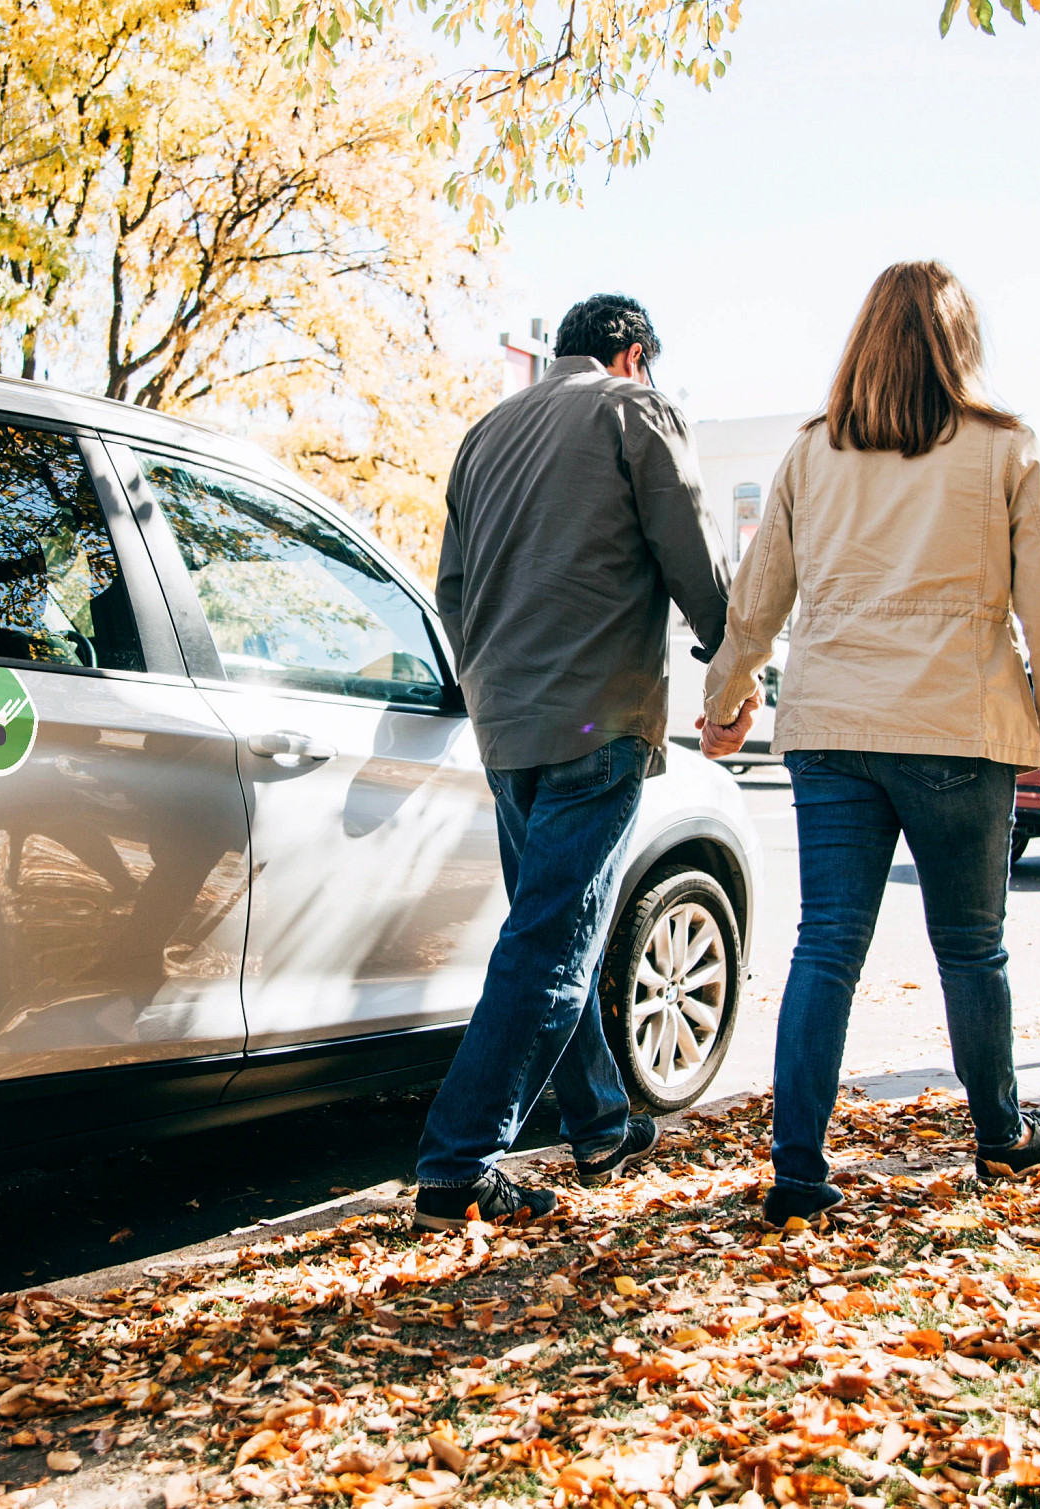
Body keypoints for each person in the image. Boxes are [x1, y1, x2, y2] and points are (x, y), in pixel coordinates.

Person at [701, 261, 1040, 1226]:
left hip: (832, 728)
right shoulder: (1009, 449)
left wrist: (725, 700)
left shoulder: (812, 453)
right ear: (962, 343)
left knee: (826, 945)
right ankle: (1000, 1136)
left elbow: (757, 598)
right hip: (960, 728)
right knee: (972, 948)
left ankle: (797, 1174)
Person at [414, 293, 738, 1231]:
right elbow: (693, 553)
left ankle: (599, 1121)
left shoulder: (483, 437)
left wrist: (491, 687)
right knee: (551, 944)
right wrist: (732, 666)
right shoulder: (633, 409)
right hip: (597, 722)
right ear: (631, 352)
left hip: (506, 728)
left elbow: (452, 592)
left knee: (555, 926)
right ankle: (457, 1164)